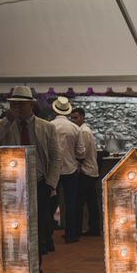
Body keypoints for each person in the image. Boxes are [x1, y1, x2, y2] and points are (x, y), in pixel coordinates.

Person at [0, 85, 61, 273]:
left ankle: (36, 271)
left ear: (30, 105)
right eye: (14, 104)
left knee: (37, 232)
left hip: (38, 184)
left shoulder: (47, 127)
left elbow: (55, 158)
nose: (17, 108)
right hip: (9, 186)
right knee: (7, 233)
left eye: (21, 104)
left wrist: (50, 184)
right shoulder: (4, 125)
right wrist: (7, 121)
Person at [51, 97, 85, 244]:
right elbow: (81, 152)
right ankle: (71, 234)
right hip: (70, 170)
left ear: (55, 109)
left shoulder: (49, 126)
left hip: (53, 170)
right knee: (71, 203)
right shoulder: (75, 128)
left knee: (50, 203)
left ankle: (47, 235)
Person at [70, 107, 101, 236]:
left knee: (80, 203)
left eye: (76, 117)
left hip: (86, 170)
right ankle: (93, 228)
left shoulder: (83, 132)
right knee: (91, 202)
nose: (73, 120)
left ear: (83, 117)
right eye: (72, 118)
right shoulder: (84, 130)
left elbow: (82, 153)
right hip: (90, 169)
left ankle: (77, 230)